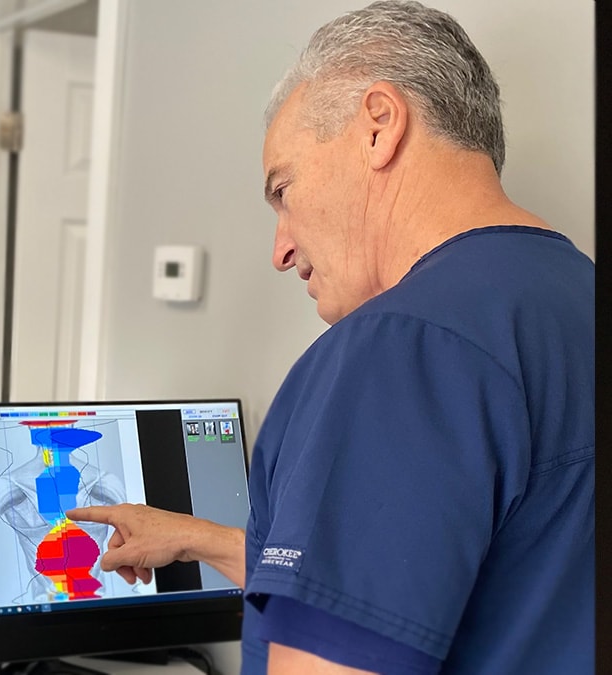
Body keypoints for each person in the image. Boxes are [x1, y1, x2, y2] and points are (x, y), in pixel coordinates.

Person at [68, 2, 594, 673]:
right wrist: (199, 539)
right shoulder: (574, 295)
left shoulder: (400, 349)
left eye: (283, 190)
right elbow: (477, 576)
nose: (281, 250)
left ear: (379, 125)